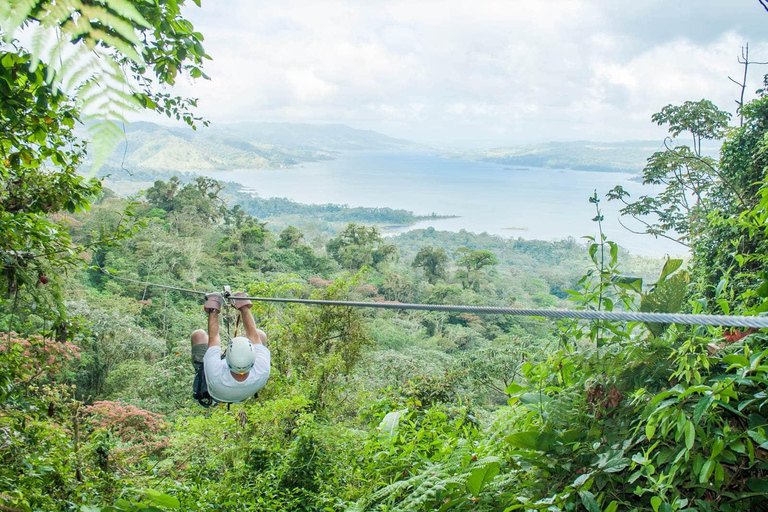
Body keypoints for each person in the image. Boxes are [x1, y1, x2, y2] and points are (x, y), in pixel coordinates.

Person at [190, 291, 270, 403]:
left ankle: (202, 368)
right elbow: (254, 335)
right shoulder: (262, 369)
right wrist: (244, 307)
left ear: (226, 358)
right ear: (253, 358)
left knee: (198, 335)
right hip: (243, 391)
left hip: (216, 392)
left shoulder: (215, 372)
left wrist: (213, 308)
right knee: (260, 335)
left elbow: (214, 338)